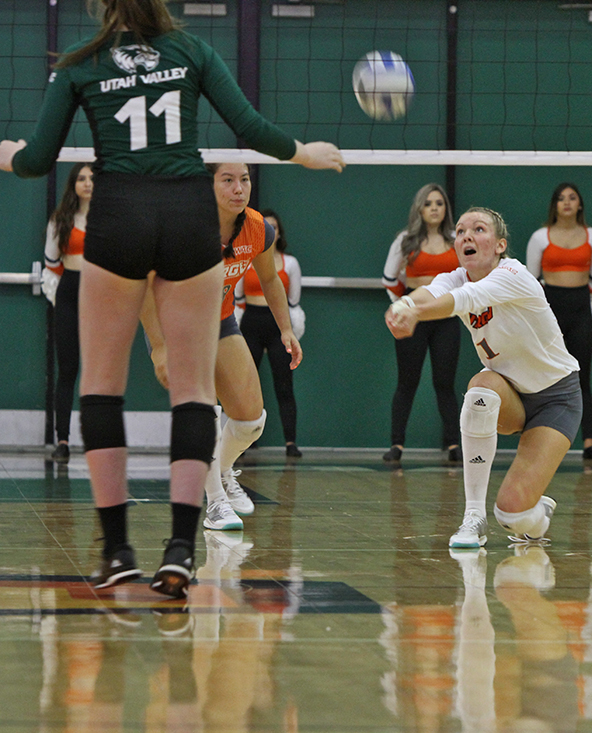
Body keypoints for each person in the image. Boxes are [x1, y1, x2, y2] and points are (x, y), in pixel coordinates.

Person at [0, 0, 343, 599]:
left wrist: (6, 153)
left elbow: (35, 161)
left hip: (120, 211)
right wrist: (303, 152)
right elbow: (252, 128)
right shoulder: (191, 51)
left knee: (101, 386)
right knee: (194, 390)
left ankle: (117, 552)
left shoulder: (80, 64)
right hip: (187, 211)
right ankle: (182, 550)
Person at [385, 208, 581, 549]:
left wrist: (415, 314)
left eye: (478, 229)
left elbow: (464, 300)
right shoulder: (457, 276)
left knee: (513, 515)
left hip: (556, 399)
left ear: (500, 245)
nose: (467, 237)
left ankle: (534, 516)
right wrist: (402, 305)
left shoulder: (512, 274)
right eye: (460, 231)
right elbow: (430, 293)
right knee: (481, 387)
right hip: (510, 394)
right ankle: (473, 517)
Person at [143, 162, 302, 532]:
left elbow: (269, 279)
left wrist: (286, 330)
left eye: (244, 179)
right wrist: (159, 347)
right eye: (227, 180)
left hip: (221, 319)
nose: (238, 188)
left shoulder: (258, 227)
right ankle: (215, 502)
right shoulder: (183, 225)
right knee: (205, 411)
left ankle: (223, 468)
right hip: (178, 325)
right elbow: (148, 288)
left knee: (251, 420)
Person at [381, 184, 462, 464]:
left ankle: (454, 445)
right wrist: (403, 306)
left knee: (445, 383)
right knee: (407, 382)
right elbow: (390, 278)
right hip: (413, 319)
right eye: (428, 203)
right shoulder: (406, 240)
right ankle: (397, 445)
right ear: (420, 209)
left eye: (439, 203)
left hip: (445, 317)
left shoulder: (456, 240)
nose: (435, 208)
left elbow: (467, 278)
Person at [526, 183, 592, 460]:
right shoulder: (540, 237)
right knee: (546, 376)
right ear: (554, 205)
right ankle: (541, 442)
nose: (567, 203)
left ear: (580, 204)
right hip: (551, 311)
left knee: (582, 377)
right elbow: (532, 281)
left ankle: (588, 443)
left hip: (581, 309)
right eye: (561, 198)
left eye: (573, 197)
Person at [236, 208, 304, 458]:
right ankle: (242, 442)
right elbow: (239, 295)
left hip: (276, 325)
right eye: (266, 227)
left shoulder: (291, 263)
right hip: (251, 322)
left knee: (284, 384)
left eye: (273, 228)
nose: (270, 232)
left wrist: (289, 327)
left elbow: (293, 298)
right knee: (243, 384)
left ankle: (290, 442)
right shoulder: (245, 257)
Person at [42, 164, 94, 463]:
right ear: (73, 184)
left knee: (100, 373)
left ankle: (98, 440)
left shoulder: (106, 219)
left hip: (100, 298)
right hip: (70, 295)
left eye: (92, 178)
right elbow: (52, 264)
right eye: (82, 178)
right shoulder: (60, 221)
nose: (88, 183)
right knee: (68, 369)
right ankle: (63, 441)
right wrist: (60, 296)